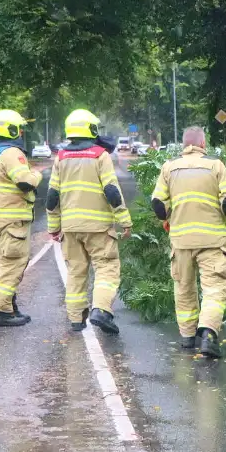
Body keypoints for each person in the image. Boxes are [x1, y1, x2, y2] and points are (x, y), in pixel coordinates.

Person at [150, 127, 226, 358]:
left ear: (183, 145)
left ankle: (188, 337)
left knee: (183, 288)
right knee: (214, 289)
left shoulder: (169, 167)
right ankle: (209, 335)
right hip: (212, 240)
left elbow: (158, 203)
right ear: (203, 143)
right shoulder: (215, 165)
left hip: (181, 241)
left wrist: (168, 217)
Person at [47, 109, 132, 334]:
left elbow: (52, 197)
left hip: (71, 228)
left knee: (76, 271)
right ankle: (101, 311)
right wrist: (124, 220)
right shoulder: (99, 155)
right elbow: (112, 191)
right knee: (106, 268)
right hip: (99, 228)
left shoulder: (61, 158)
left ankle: (76, 320)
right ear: (91, 129)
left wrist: (53, 227)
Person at [0, 109, 42, 328]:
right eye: (19, 129)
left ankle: (9, 304)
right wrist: (38, 174)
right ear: (12, 129)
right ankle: (1, 311)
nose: (21, 133)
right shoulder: (11, 153)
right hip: (11, 221)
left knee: (4, 264)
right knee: (13, 264)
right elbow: (25, 182)